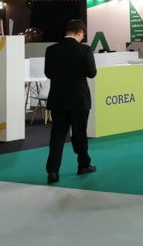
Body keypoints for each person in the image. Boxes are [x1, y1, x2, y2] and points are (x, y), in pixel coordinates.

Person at [44, 19, 98, 184]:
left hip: (58, 99)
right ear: (80, 32)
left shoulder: (51, 50)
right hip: (79, 99)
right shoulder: (85, 50)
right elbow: (92, 73)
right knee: (80, 133)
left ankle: (53, 171)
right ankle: (83, 165)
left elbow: (48, 73)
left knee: (58, 135)